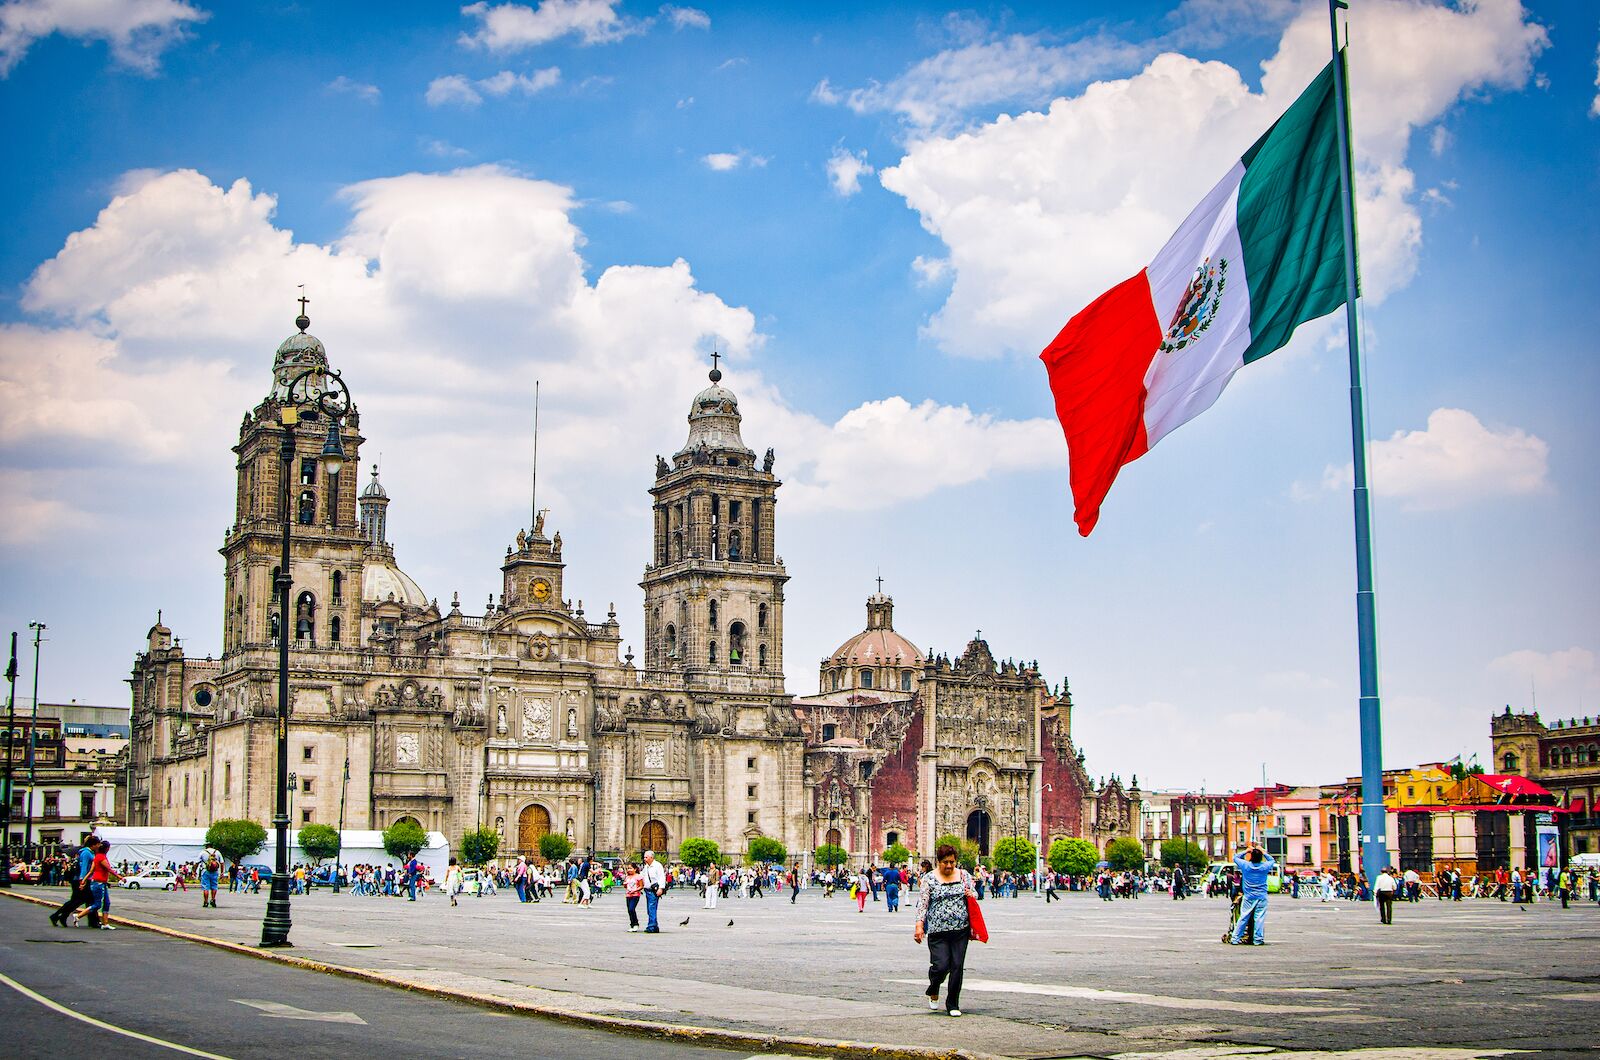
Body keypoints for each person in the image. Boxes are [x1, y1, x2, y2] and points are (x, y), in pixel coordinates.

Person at [914, 843, 978, 1018]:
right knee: (941, 966)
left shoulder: (964, 875)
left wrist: (972, 894)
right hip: (937, 931)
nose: (949, 866)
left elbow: (975, 894)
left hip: (961, 929)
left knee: (957, 966)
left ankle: (952, 1003)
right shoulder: (929, 878)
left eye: (952, 862)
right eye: (945, 862)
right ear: (938, 862)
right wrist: (919, 925)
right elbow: (923, 904)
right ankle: (933, 987)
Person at [1229, 843, 1275, 946]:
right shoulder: (1264, 867)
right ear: (1260, 858)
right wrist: (1263, 851)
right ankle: (1258, 939)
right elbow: (1272, 860)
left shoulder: (1246, 866)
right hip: (1261, 896)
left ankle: (1235, 938)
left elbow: (1235, 857)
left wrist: (1246, 851)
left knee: (1243, 917)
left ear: (1251, 856)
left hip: (1248, 896)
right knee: (1259, 918)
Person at [50, 831, 97, 928]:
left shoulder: (86, 852)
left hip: (81, 879)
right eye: (98, 843)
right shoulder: (86, 853)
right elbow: (84, 867)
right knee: (78, 901)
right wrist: (82, 881)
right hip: (82, 880)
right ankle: (57, 916)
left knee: (81, 901)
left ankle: (60, 916)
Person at [641, 850, 667, 932]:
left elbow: (661, 877)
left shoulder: (657, 865)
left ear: (651, 857)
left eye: (646, 857)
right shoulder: (646, 866)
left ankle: (651, 926)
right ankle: (654, 926)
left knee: (651, 908)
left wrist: (661, 888)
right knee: (650, 909)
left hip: (654, 891)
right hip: (647, 890)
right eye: (644, 857)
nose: (644, 859)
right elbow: (642, 876)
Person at [622, 862, 644, 931]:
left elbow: (641, 886)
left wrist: (635, 890)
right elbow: (625, 886)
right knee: (629, 910)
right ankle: (632, 924)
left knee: (632, 909)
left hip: (635, 895)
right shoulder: (627, 877)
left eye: (631, 868)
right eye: (628, 868)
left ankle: (636, 924)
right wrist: (625, 884)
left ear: (635, 869)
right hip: (628, 895)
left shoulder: (638, 876)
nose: (629, 870)